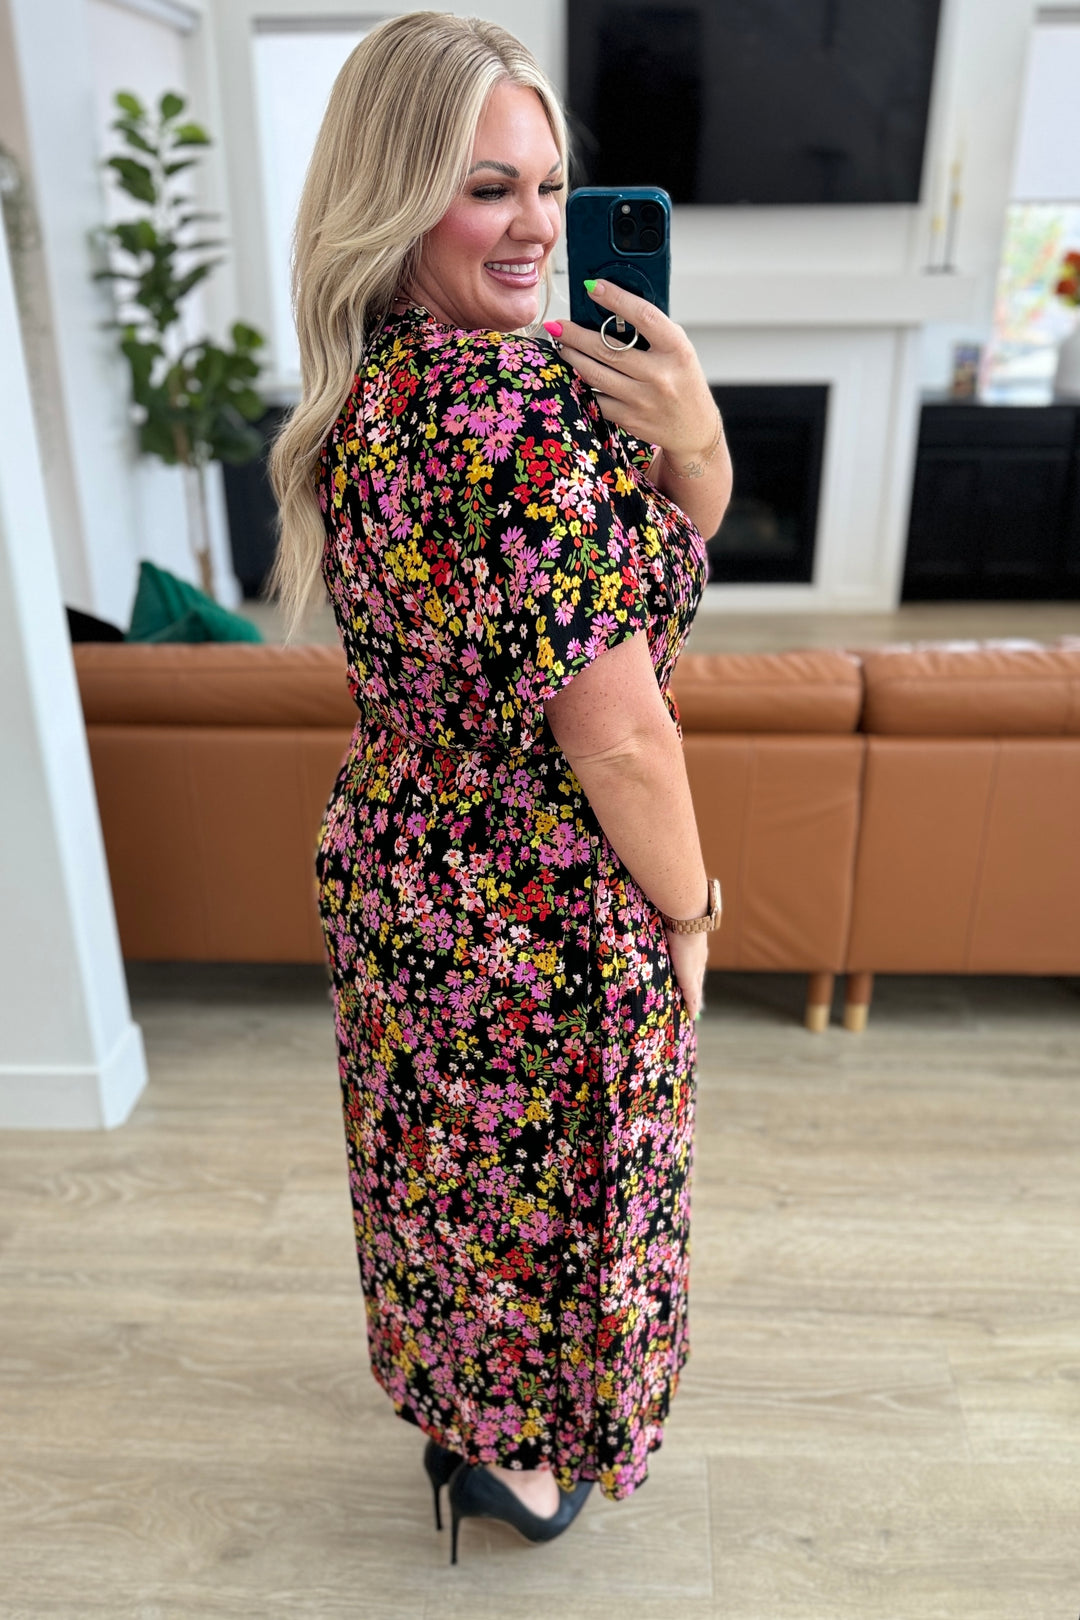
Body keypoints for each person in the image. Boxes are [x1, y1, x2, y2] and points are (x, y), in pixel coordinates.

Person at [268, 11, 732, 1564]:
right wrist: (693, 907)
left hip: (404, 865)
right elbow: (621, 734)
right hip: (542, 897)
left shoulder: (378, 393)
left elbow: (646, 557)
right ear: (398, 199)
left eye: (549, 185)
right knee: (565, 1189)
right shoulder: (518, 410)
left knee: (448, 1177)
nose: (535, 225)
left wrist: (693, 435)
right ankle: (526, 1473)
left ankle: (469, 1426)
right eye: (487, 189)